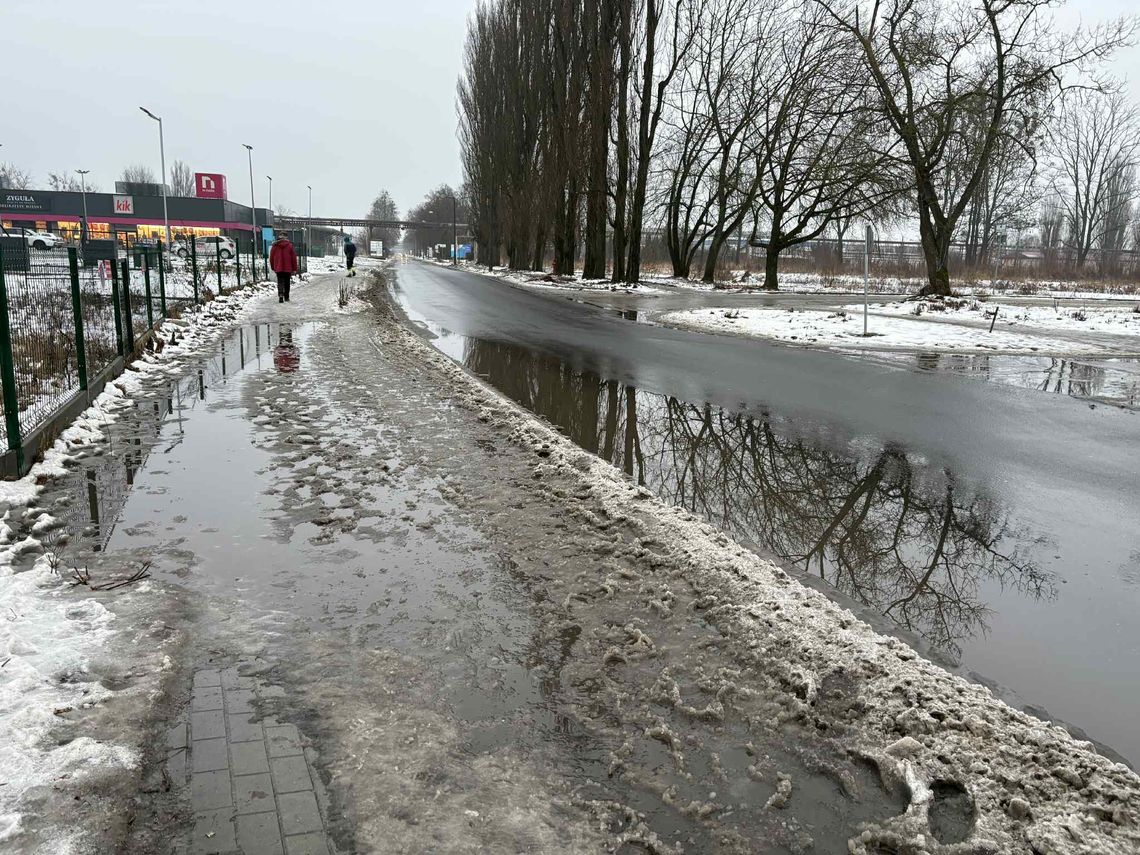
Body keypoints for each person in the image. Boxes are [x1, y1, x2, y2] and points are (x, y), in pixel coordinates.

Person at [270, 232, 299, 302]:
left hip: (278, 267)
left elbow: (271, 257)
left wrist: (273, 266)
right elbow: (293, 258)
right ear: (286, 237)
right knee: (287, 282)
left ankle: (280, 295)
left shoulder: (275, 246)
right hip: (288, 267)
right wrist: (294, 268)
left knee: (280, 281)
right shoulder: (290, 245)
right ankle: (286, 297)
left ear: (279, 237)